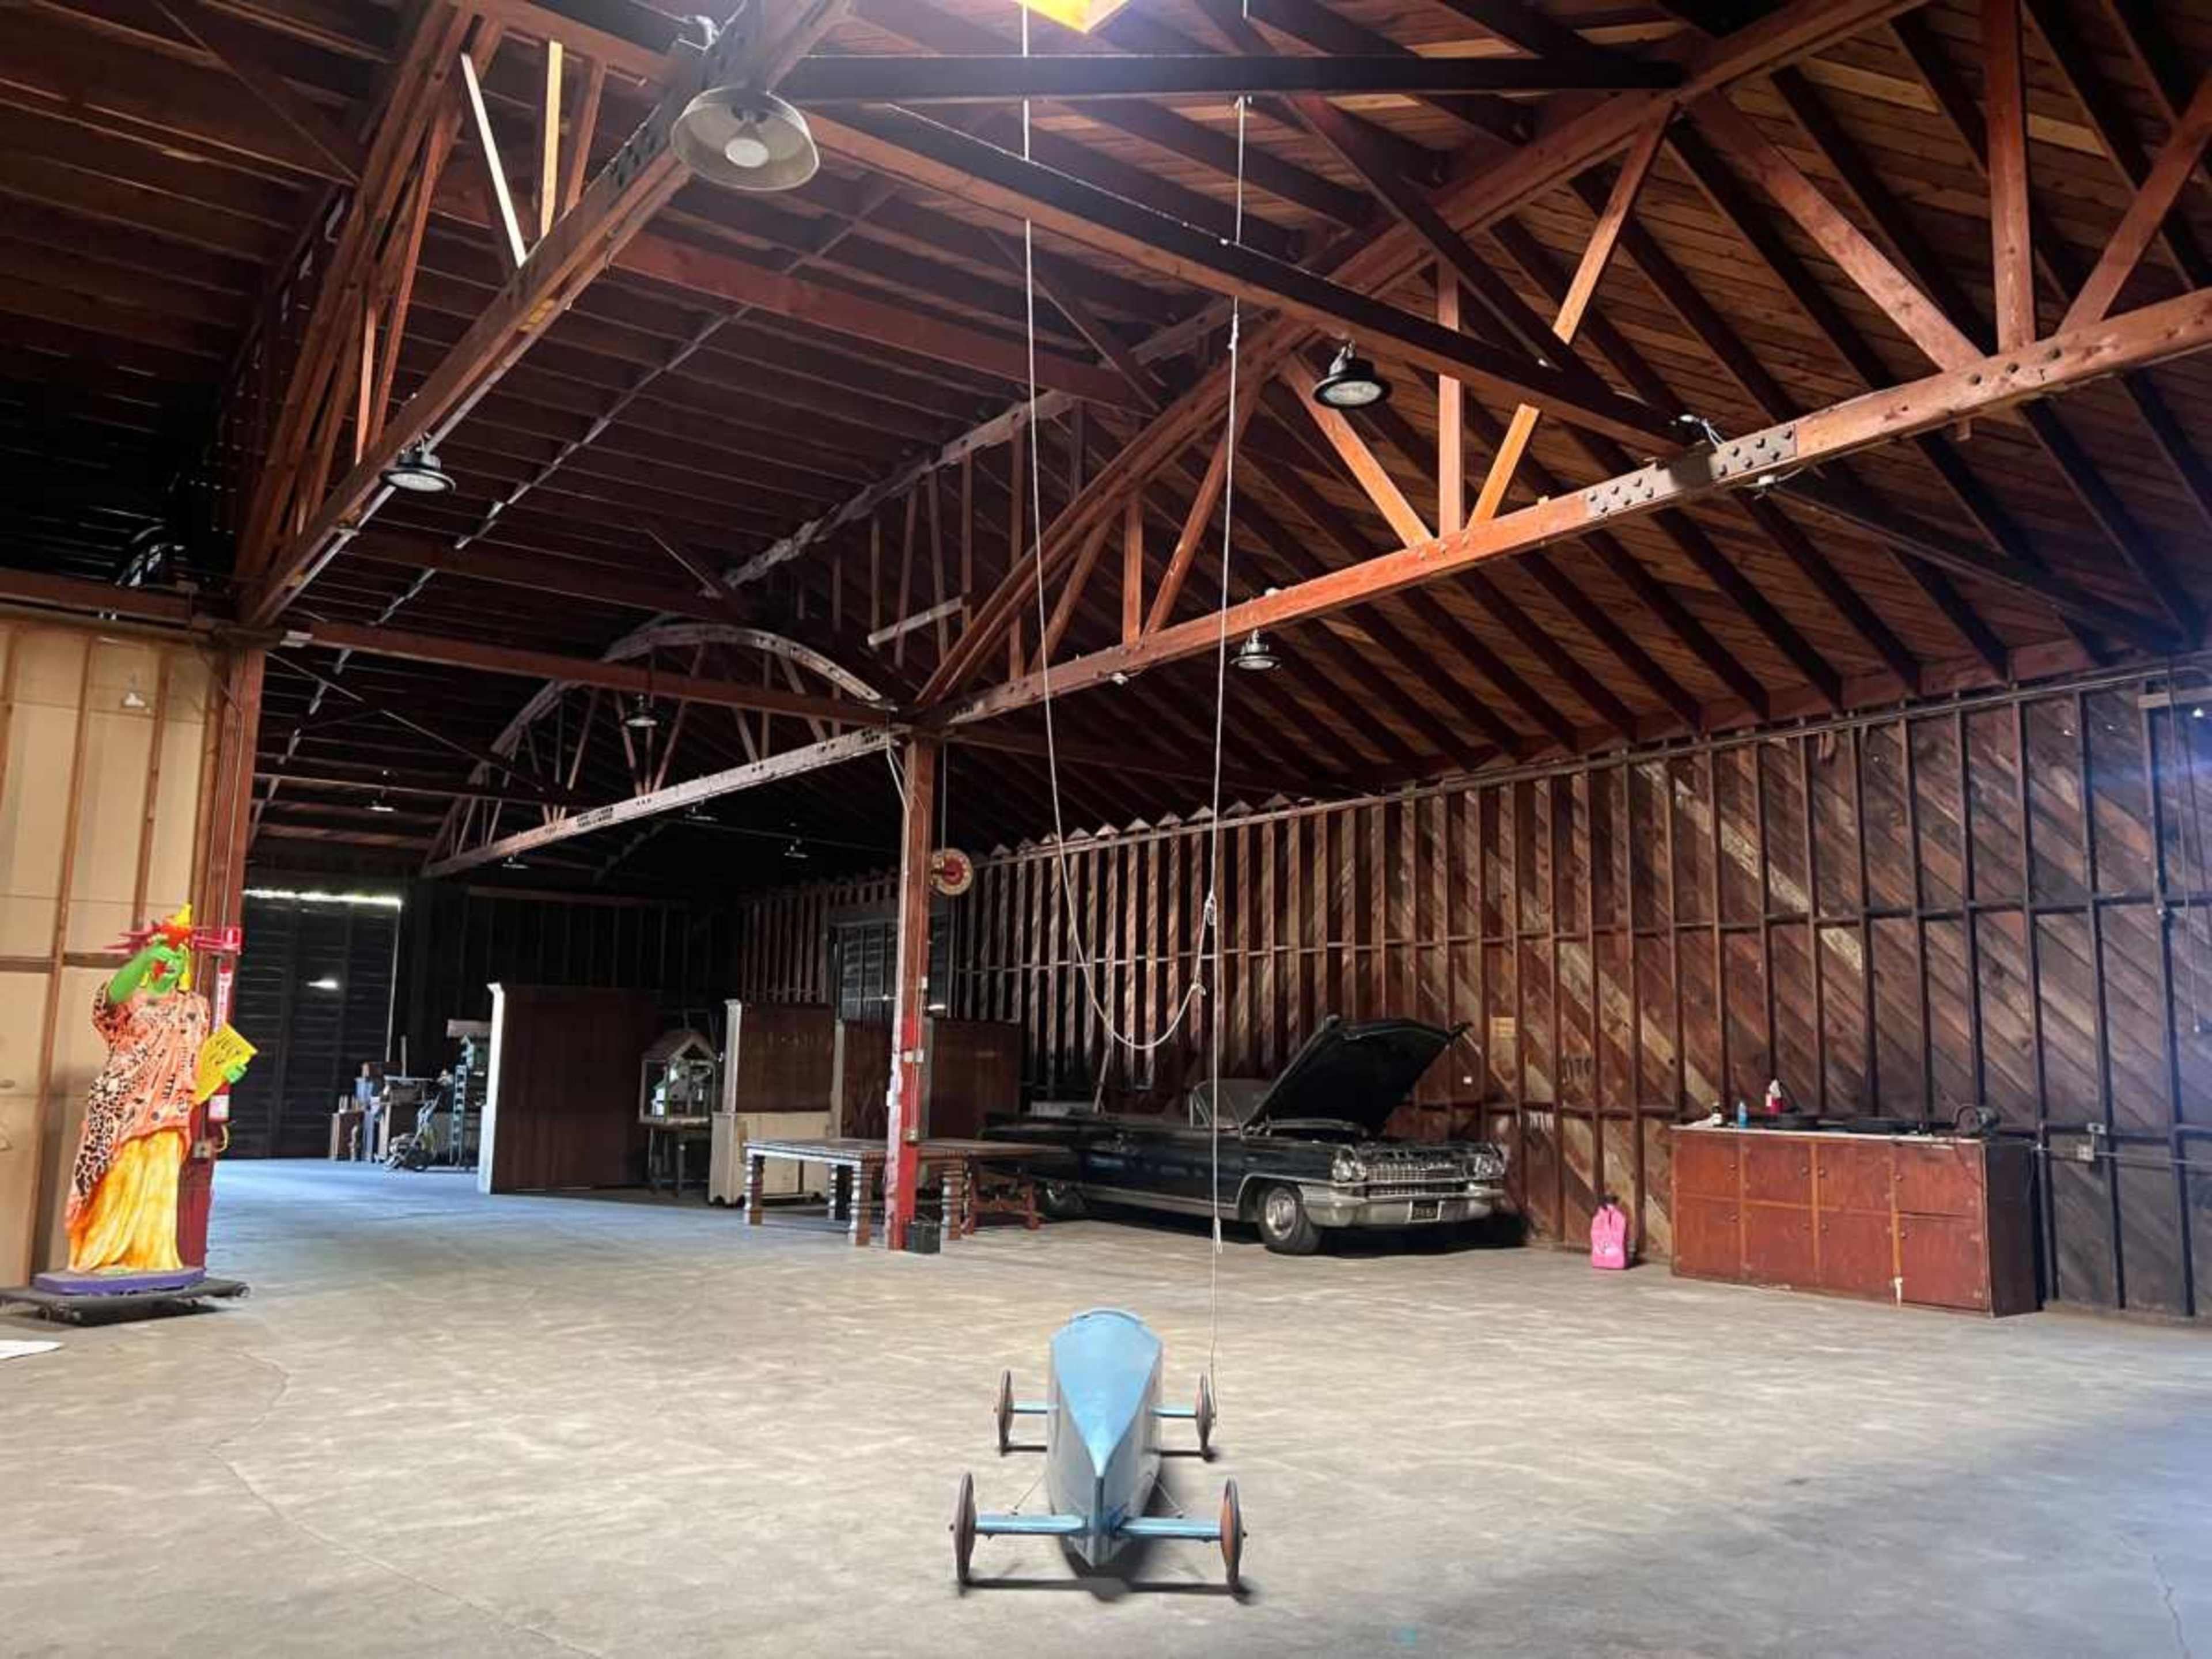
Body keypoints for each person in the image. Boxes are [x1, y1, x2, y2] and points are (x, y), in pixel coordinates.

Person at [65, 929, 210, 1273]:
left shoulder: (196, 1006)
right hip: (124, 1108)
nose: (170, 962)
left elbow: (198, 1058)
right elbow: (109, 1000)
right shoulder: (132, 1000)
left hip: (171, 1110)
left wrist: (221, 1074)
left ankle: (149, 1257)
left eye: (179, 957)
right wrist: (144, 957)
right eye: (164, 955)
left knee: (158, 1189)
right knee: (116, 1181)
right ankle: (104, 1254)